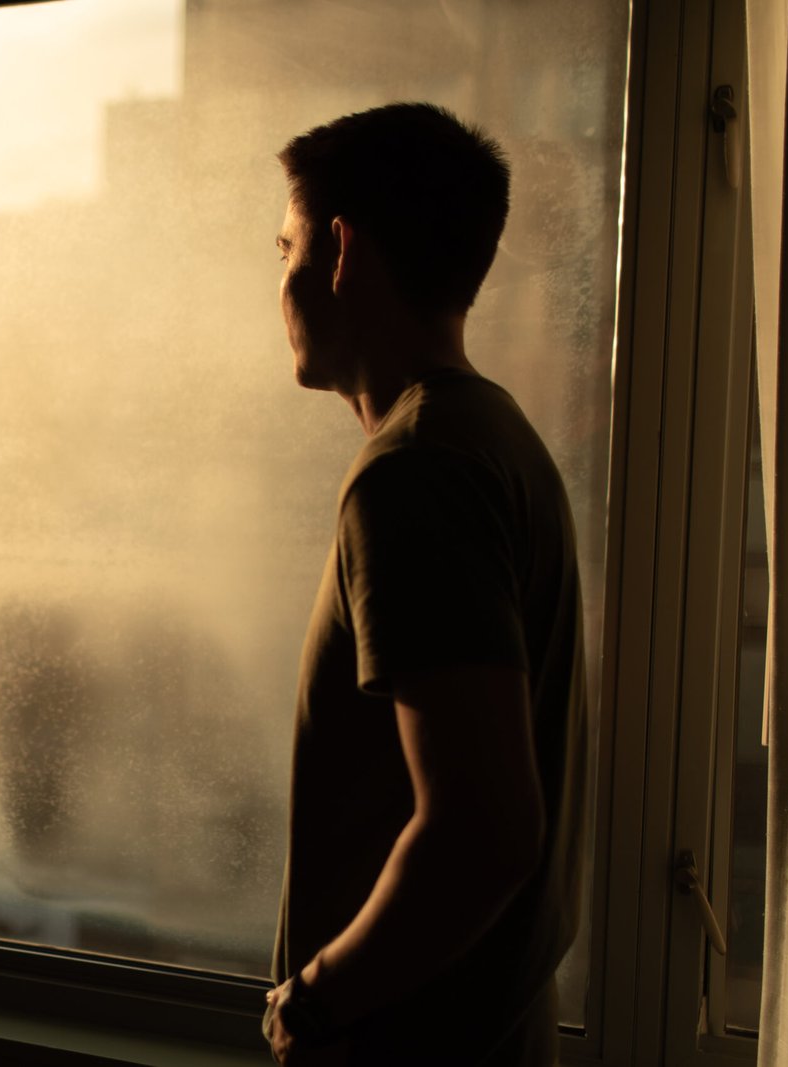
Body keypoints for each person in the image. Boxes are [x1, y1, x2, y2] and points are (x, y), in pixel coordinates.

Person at [262, 103, 587, 1066]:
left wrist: (313, 1001)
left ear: (341, 249)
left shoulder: (413, 473)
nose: (277, 279)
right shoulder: (496, 438)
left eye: (284, 245)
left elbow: (484, 828)